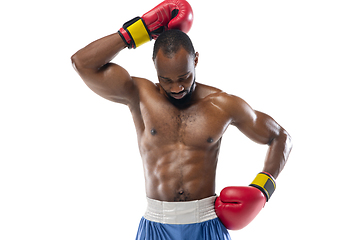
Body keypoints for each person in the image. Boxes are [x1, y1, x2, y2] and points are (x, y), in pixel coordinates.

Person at [71, 0, 292, 239]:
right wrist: (141, 29)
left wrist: (263, 188)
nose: (176, 87)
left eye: (184, 77)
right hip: (156, 226)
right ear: (154, 67)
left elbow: (280, 137)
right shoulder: (139, 95)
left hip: (206, 224)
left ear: (196, 60)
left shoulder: (223, 104)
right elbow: (82, 63)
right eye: (166, 79)